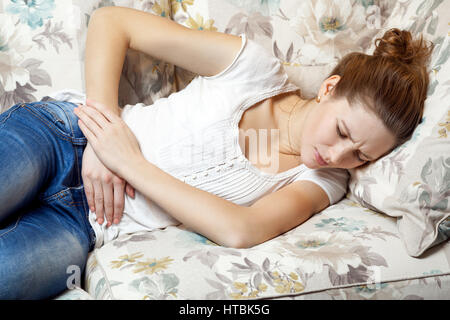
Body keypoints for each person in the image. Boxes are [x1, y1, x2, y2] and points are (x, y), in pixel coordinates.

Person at [0, 7, 433, 299]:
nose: (337, 155)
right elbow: (111, 22)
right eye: (342, 131)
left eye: (360, 156)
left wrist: (126, 161)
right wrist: (103, 134)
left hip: (87, 224)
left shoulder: (324, 182)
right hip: (65, 137)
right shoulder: (254, 69)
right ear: (329, 88)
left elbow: (239, 230)